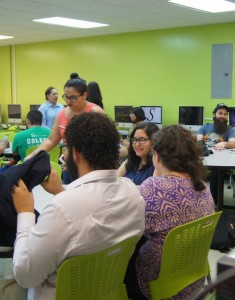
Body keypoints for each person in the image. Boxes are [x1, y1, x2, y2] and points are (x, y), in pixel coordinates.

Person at [11, 112, 145, 300]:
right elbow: (89, 217)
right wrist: (60, 192)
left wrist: (25, 213)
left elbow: (25, 275)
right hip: (107, 292)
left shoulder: (61, 210)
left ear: (75, 153)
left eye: (66, 148)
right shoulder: (133, 193)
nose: (64, 155)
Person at [127, 125, 215, 299]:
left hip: (157, 282)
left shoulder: (152, 188)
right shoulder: (203, 188)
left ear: (157, 156)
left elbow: (128, 228)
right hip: (192, 277)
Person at [25, 77, 105, 181]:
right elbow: (51, 140)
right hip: (70, 164)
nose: (68, 101)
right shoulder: (62, 113)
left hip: (92, 168)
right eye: (66, 97)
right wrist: (32, 156)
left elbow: (103, 146)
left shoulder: (95, 113)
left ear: (84, 95)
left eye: (73, 98)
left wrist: (80, 161)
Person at [196, 103, 235, 204]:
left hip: (221, 162)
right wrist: (200, 142)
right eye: (220, 113)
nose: (223, 116)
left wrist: (225, 143)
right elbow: (199, 139)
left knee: (216, 172)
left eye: (225, 114)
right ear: (214, 115)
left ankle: (214, 203)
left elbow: (234, 143)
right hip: (205, 157)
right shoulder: (205, 127)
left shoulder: (230, 129)